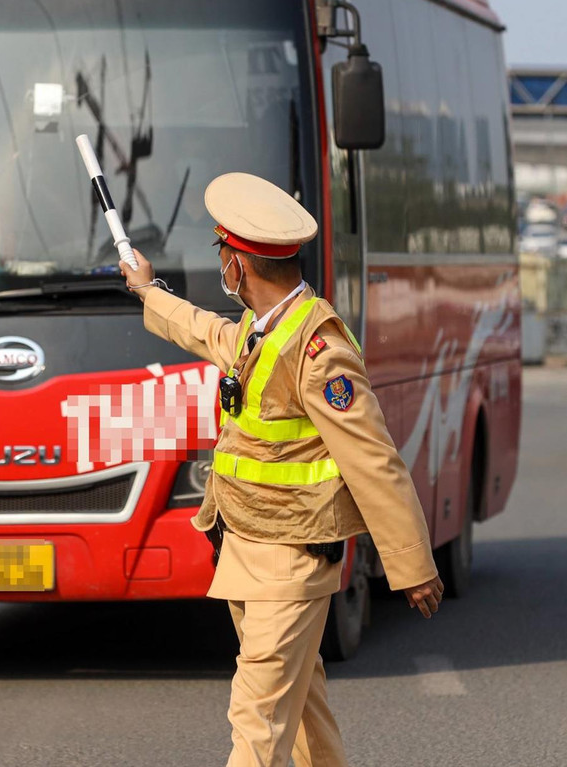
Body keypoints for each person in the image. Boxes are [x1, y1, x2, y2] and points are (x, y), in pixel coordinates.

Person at [119, 172, 442, 767]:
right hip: (248, 549)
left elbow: (373, 460)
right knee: (299, 717)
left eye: (222, 254)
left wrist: (412, 565)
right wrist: (147, 290)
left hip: (292, 558)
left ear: (238, 265)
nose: (222, 266)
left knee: (258, 718)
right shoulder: (258, 327)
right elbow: (206, 331)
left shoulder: (319, 349)